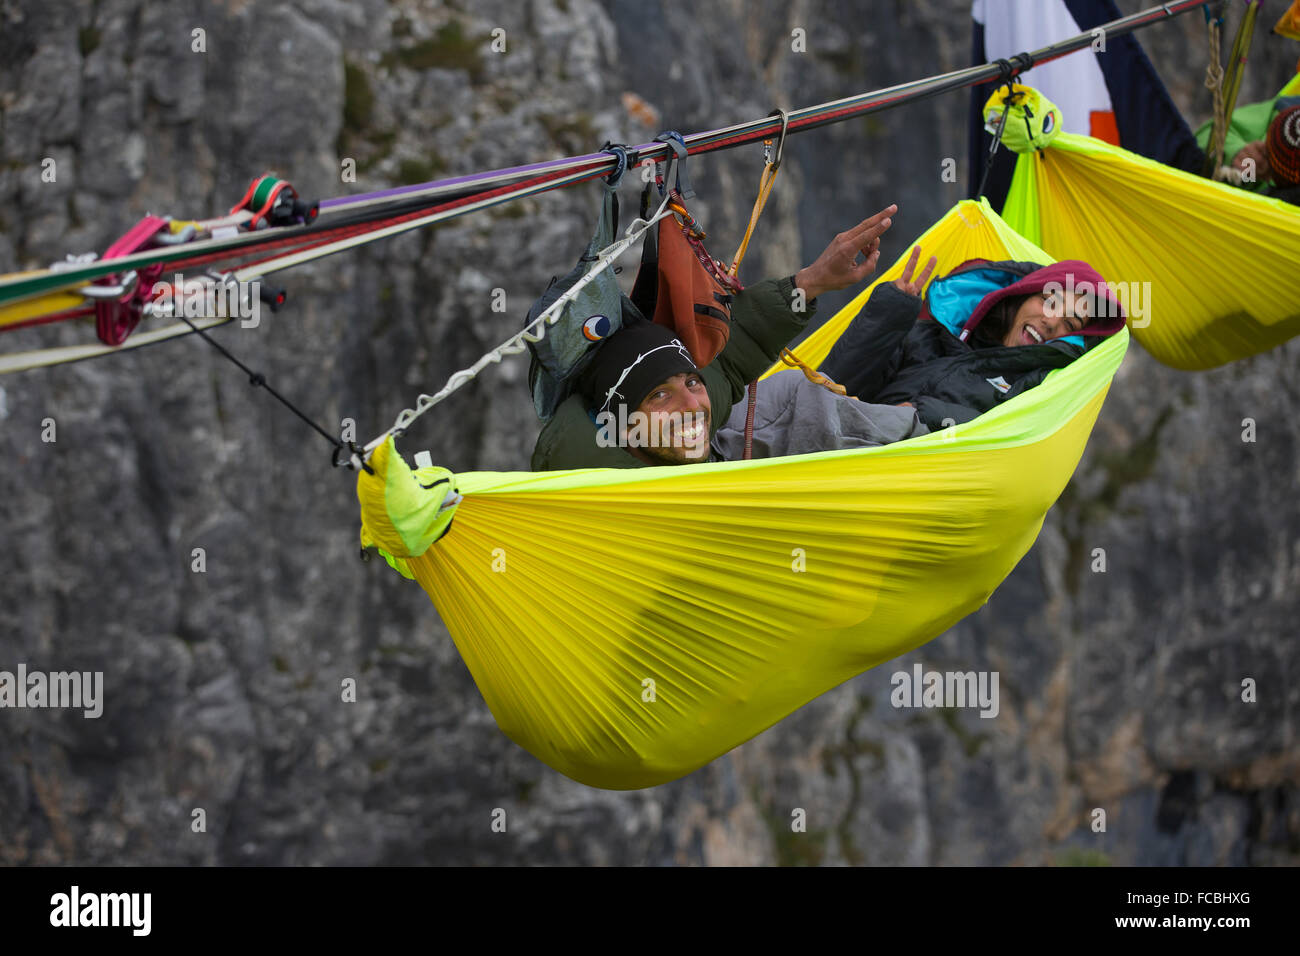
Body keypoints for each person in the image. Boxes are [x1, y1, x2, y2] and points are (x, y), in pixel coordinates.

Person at [531, 204, 910, 471]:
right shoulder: (605, 497)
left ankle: (919, 430)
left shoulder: (665, 432)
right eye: (658, 395)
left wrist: (813, 281)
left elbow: (728, 355)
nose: (691, 404)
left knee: (797, 391)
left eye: (691, 381)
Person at [818, 247, 1128, 431]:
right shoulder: (928, 336)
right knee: (787, 391)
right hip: (829, 442)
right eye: (1049, 301)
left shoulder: (1034, 388)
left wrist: (921, 413)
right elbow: (832, 384)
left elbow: (1005, 438)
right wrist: (889, 313)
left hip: (883, 480)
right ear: (1021, 296)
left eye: (1069, 323)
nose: (1050, 321)